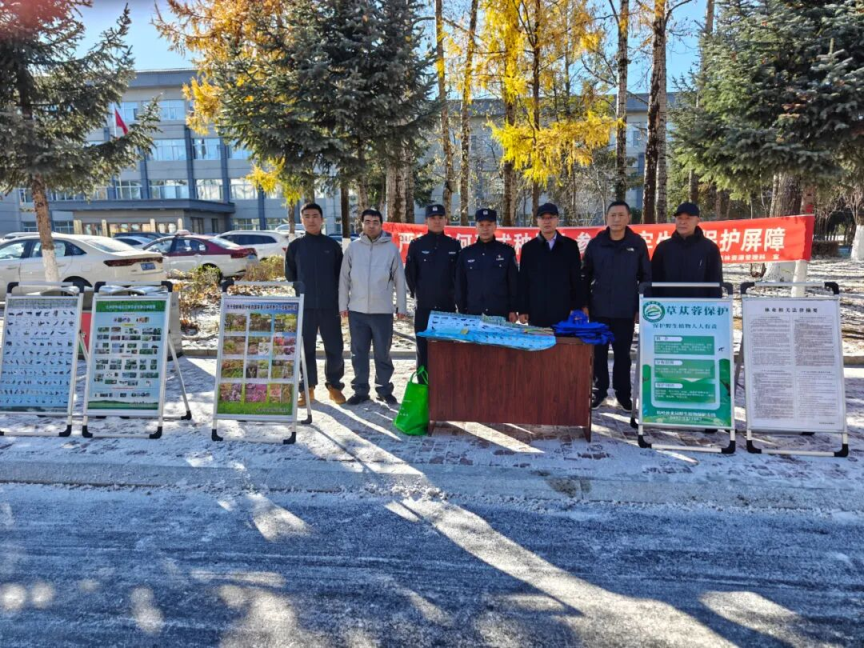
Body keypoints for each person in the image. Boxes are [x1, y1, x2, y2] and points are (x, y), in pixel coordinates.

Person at [582, 201, 651, 410]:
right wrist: (584, 304)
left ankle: (623, 395)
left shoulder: (637, 244)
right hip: (599, 309)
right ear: (607, 218)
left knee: (622, 356)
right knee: (598, 354)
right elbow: (585, 275)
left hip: (625, 310)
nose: (617, 219)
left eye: (621, 215)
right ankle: (599, 392)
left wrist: (641, 306)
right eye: (613, 215)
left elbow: (645, 277)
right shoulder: (596, 244)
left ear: (628, 218)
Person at [338, 208, 408, 406]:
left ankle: (384, 389)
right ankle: (360, 390)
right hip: (357, 311)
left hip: (382, 311)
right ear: (362, 224)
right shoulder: (353, 248)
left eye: (375, 222)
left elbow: (399, 280)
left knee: (382, 353)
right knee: (358, 353)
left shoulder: (391, 249)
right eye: (367, 221)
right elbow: (344, 279)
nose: (371, 225)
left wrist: (401, 306)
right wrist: (343, 305)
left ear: (381, 224)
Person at [284, 202, 346, 406]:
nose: (311, 220)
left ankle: (334, 386)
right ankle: (307, 388)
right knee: (305, 348)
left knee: (334, 347)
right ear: (302, 220)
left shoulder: (332, 246)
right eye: (307, 216)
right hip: (305, 305)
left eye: (315, 216)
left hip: (330, 306)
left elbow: (341, 275)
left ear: (322, 220)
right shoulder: (296, 246)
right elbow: (290, 274)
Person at [405, 203, 461, 376]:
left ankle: (445, 386)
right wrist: (419, 294)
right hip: (424, 307)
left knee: (446, 350)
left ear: (446, 220)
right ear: (426, 221)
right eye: (433, 218)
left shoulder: (454, 245)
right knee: (423, 351)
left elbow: (459, 276)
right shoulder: (417, 245)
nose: (437, 221)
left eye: (440, 218)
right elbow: (410, 274)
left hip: (447, 308)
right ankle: (423, 386)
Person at [517, 202, 583, 327]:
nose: (547, 221)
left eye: (551, 217)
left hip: (564, 312)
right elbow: (523, 281)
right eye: (543, 218)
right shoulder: (529, 248)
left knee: (564, 340)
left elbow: (576, 279)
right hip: (537, 312)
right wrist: (523, 309)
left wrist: (577, 307)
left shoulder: (570, 246)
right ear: (537, 221)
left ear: (557, 219)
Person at [455, 208, 518, 321]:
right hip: (473, 313)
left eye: (489, 224)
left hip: (500, 313)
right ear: (476, 227)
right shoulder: (466, 253)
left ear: (495, 226)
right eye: (481, 225)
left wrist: (513, 309)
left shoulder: (507, 251)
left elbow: (513, 283)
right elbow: (460, 285)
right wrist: (462, 310)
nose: (485, 228)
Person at [651, 202, 723, 298]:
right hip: (668, 305)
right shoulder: (663, 247)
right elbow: (653, 280)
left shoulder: (709, 248)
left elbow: (715, 283)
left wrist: (715, 304)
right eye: (679, 218)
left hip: (699, 305)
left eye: (688, 218)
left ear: (697, 220)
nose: (683, 222)